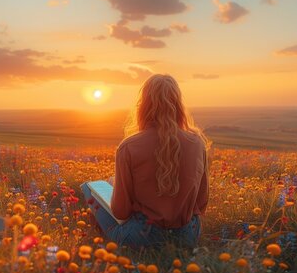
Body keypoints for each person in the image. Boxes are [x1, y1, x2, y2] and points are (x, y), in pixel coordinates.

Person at [80, 74, 210, 249]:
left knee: (89, 188)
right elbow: (201, 203)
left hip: (142, 237)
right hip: (187, 237)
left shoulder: (129, 147)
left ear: (143, 105)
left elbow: (120, 212)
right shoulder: (197, 143)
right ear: (179, 105)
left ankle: (103, 242)